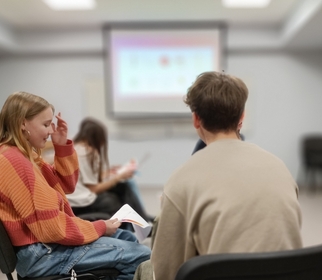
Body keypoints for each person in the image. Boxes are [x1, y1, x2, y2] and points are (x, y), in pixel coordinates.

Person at [134, 71, 302, 280]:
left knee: (145, 269)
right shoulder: (280, 169)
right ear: (242, 117)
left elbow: (166, 272)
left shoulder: (180, 182)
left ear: (196, 119)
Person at [0, 92, 151, 280]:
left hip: (44, 248)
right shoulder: (15, 162)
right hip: (42, 254)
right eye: (45, 125)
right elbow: (52, 229)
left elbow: (65, 186)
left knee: (126, 238)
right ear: (23, 123)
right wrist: (100, 227)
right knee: (142, 256)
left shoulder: (24, 157)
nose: (49, 131)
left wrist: (61, 146)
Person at [66, 117, 153, 223]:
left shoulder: (75, 148)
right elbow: (94, 189)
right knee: (118, 195)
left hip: (72, 201)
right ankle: (142, 221)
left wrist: (107, 173)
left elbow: (83, 179)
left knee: (122, 187)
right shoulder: (88, 153)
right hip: (80, 203)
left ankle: (142, 219)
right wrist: (118, 177)